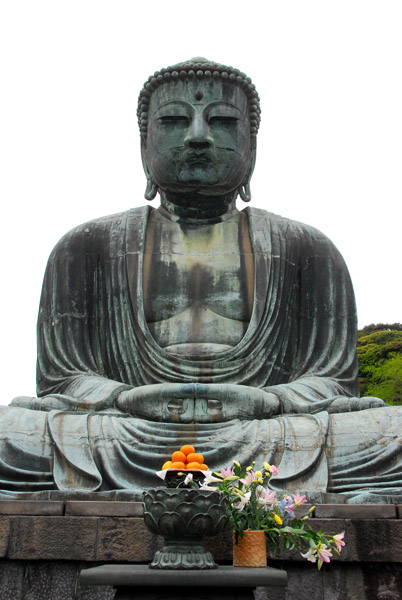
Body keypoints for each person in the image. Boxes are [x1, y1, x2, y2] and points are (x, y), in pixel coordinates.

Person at [1, 58, 401, 501]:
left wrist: (267, 401)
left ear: (252, 145)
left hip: (266, 430)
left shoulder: (307, 248)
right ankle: (260, 492)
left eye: (223, 121)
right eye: (173, 120)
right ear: (143, 144)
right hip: (127, 429)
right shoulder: (87, 246)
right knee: (11, 434)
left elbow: (331, 381)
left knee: (392, 433)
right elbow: (64, 379)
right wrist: (126, 398)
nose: (197, 136)